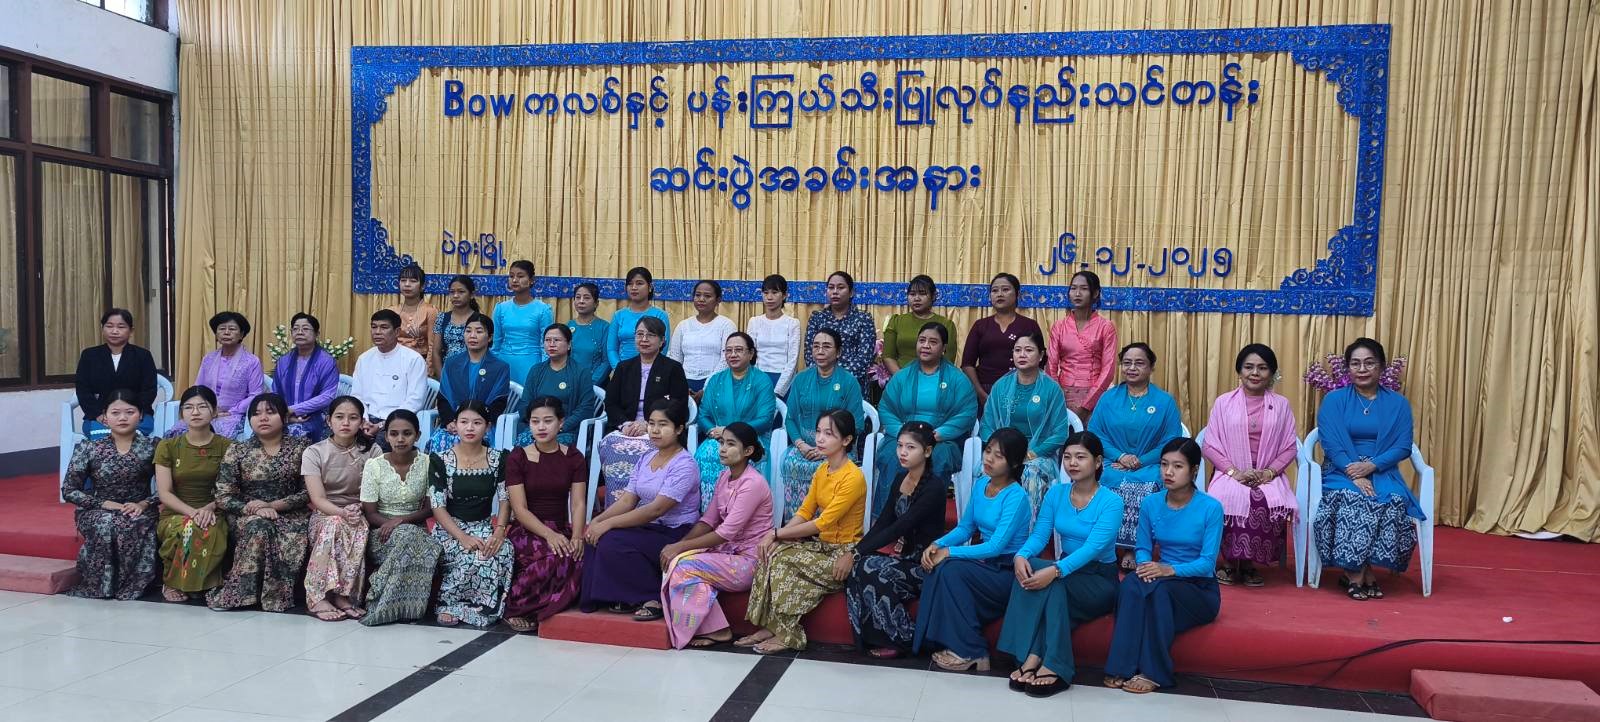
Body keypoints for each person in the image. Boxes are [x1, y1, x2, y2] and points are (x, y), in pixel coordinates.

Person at [998, 431, 1121, 697]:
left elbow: (1093, 548)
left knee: (1055, 584)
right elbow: (1040, 534)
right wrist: (1021, 555)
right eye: (1067, 457)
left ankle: (1052, 664)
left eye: (1081, 457)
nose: (1072, 463)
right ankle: (1033, 654)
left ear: (1098, 462)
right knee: (1030, 565)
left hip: (1099, 579)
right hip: (1067, 569)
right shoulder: (1056, 493)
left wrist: (1055, 570)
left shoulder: (1111, 502)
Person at [738, 409, 867, 654]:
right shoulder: (822, 470)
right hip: (821, 547)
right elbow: (805, 512)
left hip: (842, 553)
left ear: (847, 440)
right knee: (771, 553)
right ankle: (769, 626)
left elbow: (823, 523)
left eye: (829, 434)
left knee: (783, 560)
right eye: (818, 432)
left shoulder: (853, 477)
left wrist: (776, 534)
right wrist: (778, 537)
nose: (820, 438)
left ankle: (789, 635)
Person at [1103, 437, 1224, 694]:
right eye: (1164, 464)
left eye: (1177, 466)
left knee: (1159, 592)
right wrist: (1145, 567)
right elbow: (1143, 548)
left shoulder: (1211, 508)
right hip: (1160, 577)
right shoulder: (1152, 502)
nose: (1168, 472)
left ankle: (1154, 672)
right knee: (1131, 585)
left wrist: (1169, 570)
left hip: (1198, 588)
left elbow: (1206, 564)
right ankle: (1121, 666)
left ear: (1194, 470)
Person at [913, 428, 1034, 671]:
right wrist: (938, 544)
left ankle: (974, 651)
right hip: (987, 566)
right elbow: (965, 528)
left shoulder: (1016, 496)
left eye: (999, 456)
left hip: (1008, 571)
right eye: (988, 451)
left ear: (1013, 463)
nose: (989, 459)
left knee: (951, 569)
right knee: (938, 566)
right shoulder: (981, 485)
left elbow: (996, 547)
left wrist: (950, 552)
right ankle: (931, 640)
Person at [1313, 337, 1424, 600]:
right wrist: (1354, 473)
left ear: (1381, 367)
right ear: (1347, 368)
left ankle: (1359, 570)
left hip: (1382, 470)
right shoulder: (1334, 400)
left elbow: (1403, 446)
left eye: (1369, 363)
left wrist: (1371, 466)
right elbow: (1330, 442)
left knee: (1394, 500)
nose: (1362, 369)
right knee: (1353, 497)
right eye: (1355, 363)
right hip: (1340, 469)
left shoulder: (1398, 404)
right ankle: (1358, 574)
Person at [579, 399, 700, 618]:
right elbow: (627, 500)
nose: (655, 430)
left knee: (612, 541)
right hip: (651, 527)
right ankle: (608, 597)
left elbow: (656, 510)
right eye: (651, 423)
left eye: (663, 424)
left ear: (679, 428)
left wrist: (607, 524)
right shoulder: (646, 457)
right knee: (593, 535)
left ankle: (653, 596)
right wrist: (597, 521)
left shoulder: (684, 464)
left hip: (676, 531)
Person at [659, 422, 776, 648]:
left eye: (731, 444)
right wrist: (680, 545)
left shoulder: (753, 483)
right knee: (678, 559)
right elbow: (708, 520)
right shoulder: (724, 477)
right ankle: (714, 628)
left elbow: (725, 532)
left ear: (748, 451)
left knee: (683, 565)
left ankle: (716, 629)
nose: (722, 449)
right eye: (722, 442)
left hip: (751, 562)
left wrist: (680, 548)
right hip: (727, 553)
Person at [843, 422, 949, 658]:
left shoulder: (934, 487)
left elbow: (900, 526)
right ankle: (868, 637)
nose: (902, 452)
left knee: (871, 568)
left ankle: (903, 637)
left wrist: (855, 553)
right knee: (859, 566)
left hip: (926, 563)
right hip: (905, 557)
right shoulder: (901, 477)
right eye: (900, 446)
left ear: (927, 451)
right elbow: (883, 522)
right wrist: (856, 552)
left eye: (910, 447)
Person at [1204, 344, 1300, 588]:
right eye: (1249, 367)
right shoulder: (1224, 402)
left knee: (1263, 499)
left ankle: (1249, 564)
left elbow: (1290, 447)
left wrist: (1269, 472)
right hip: (1230, 472)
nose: (1255, 373)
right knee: (1229, 497)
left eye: (1262, 368)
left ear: (1272, 373)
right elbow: (1210, 445)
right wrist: (1234, 472)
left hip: (1268, 473)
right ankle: (1228, 561)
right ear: (1239, 371)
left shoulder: (1281, 405)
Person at [208, 393, 312, 612]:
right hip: (247, 513)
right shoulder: (238, 450)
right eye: (256, 414)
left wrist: (273, 506)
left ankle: (276, 596)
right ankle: (239, 595)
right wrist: (250, 508)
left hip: (290, 513)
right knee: (259, 526)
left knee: (277, 528)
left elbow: (308, 492)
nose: (263, 418)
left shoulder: (301, 448)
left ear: (284, 417)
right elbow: (223, 495)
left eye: (270, 412)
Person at [1088, 343, 1184, 563]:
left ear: (1151, 367)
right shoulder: (1108, 398)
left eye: (1139, 363)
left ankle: (1133, 549)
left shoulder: (1164, 401)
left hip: (1150, 464)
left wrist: (1140, 461)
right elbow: (1095, 433)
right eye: (1127, 363)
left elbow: (1171, 440)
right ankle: (1103, 546)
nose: (1132, 368)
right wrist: (1120, 456)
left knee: (1144, 487)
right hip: (1112, 462)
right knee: (1103, 481)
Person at [61, 389, 158, 599]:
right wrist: (103, 503)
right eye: (115, 413)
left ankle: (132, 585)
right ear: (105, 416)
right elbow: (69, 490)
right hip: (98, 508)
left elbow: (168, 488)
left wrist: (144, 503)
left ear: (141, 415)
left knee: (132, 522)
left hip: (140, 508)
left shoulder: (153, 447)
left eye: (130, 412)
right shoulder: (89, 448)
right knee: (106, 522)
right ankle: (100, 586)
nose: (123, 418)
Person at [503, 396, 589, 632]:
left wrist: (577, 536)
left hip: (561, 527)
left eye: (548, 421)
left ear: (561, 423)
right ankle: (516, 606)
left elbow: (578, 503)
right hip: (528, 529)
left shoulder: (573, 457)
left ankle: (545, 604)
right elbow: (519, 509)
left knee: (579, 556)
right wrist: (549, 535)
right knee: (553, 558)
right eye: (535, 421)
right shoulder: (518, 457)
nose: (541, 427)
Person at [874, 322, 977, 511]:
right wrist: (903, 435)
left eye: (933, 342)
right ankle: (887, 516)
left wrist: (937, 435)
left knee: (937, 458)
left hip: (941, 440)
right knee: (891, 456)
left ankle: (924, 516)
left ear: (944, 348)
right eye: (922, 340)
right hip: (902, 437)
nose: (926, 346)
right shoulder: (902, 377)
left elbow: (967, 413)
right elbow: (886, 408)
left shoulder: (957, 379)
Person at [429, 401, 514, 626]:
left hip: (484, 525)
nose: (469, 428)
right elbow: (437, 506)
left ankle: (486, 607)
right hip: (451, 529)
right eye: (464, 422)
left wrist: (499, 531)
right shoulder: (440, 459)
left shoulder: (499, 458)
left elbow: (505, 498)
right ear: (454, 425)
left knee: (502, 549)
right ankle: (448, 604)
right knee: (473, 555)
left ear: (488, 427)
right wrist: (462, 537)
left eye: (477, 423)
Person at [302, 396, 382, 621]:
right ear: (329, 421)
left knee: (357, 526)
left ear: (362, 422)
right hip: (324, 514)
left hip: (359, 511)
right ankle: (317, 596)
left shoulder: (372, 451)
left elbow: (375, 492)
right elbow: (317, 498)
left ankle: (343, 595)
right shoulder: (314, 452)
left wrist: (357, 509)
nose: (345, 423)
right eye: (339, 417)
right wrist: (342, 512)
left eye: (353, 418)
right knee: (336, 523)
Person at [596, 316, 689, 507]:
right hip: (626, 429)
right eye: (640, 334)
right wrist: (625, 424)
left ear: (662, 341)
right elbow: (611, 403)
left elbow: (679, 405)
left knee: (651, 448)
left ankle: (648, 507)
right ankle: (616, 506)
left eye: (650, 335)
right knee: (610, 446)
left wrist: (649, 425)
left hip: (658, 430)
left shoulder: (673, 368)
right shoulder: (624, 367)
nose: (644, 339)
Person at [359, 410, 441, 626]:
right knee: (415, 540)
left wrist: (401, 521)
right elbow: (370, 513)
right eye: (394, 434)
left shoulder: (429, 463)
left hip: (416, 529)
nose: (400, 439)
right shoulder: (374, 465)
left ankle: (391, 599)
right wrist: (391, 524)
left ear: (418, 435)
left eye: (407, 433)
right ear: (386, 436)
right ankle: (403, 607)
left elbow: (430, 509)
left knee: (414, 538)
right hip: (381, 534)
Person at [155, 386, 232, 602]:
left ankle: (202, 584)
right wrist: (193, 512)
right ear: (182, 413)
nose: (195, 412)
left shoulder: (228, 447)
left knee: (209, 528)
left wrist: (209, 508)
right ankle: (172, 582)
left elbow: (231, 488)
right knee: (187, 526)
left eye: (202, 407)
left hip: (215, 509)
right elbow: (164, 493)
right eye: (188, 407)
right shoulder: (168, 446)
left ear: (214, 411)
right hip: (176, 511)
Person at [981, 331, 1073, 510]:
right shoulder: (1001, 386)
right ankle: (989, 523)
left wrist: (1030, 454)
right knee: (984, 470)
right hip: (1003, 452)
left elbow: (1060, 434)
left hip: (1038, 455)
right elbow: (987, 425)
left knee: (1030, 473)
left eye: (1028, 350)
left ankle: (1027, 526)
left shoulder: (1052, 389)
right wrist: (1000, 452)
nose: (1022, 355)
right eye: (1017, 350)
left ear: (1041, 355)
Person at [779, 329, 865, 519]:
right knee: (791, 462)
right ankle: (797, 524)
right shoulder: (801, 379)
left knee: (827, 468)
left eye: (826, 346)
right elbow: (790, 418)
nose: (820, 351)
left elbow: (857, 425)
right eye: (816, 346)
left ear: (838, 352)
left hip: (838, 450)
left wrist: (827, 449)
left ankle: (826, 524)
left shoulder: (849, 382)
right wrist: (800, 444)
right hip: (804, 447)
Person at [693, 332, 777, 507]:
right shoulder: (716, 380)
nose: (733, 354)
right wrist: (713, 431)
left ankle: (738, 511)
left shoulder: (762, 381)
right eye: (728, 350)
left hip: (751, 439)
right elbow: (703, 414)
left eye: (738, 350)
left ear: (751, 353)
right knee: (707, 452)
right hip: (717, 437)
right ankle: (709, 511)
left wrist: (728, 432)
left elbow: (765, 418)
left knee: (736, 453)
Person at [169, 311, 262, 439]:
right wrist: (206, 409)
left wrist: (232, 411)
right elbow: (198, 389)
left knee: (217, 436)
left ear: (241, 334)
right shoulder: (208, 359)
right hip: (205, 411)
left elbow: (255, 395)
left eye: (232, 329)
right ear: (216, 334)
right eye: (222, 329)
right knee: (179, 432)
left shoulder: (251, 362)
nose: (226, 332)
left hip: (233, 415)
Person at [429, 313, 512, 452]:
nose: (472, 336)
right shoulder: (451, 364)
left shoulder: (500, 367)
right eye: (468, 331)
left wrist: (481, 423)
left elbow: (499, 402)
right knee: (440, 439)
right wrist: (450, 421)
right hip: (454, 424)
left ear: (490, 337)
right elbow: (443, 398)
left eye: (479, 331)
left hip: (484, 426)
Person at [75, 309, 158, 439]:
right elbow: (83, 389)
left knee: (135, 435)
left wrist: (133, 413)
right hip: (100, 416)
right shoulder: (90, 356)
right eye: (109, 326)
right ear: (103, 329)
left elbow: (149, 389)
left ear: (131, 331)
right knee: (102, 436)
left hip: (136, 415)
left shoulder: (143, 356)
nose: (114, 331)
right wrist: (98, 414)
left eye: (121, 327)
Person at [961, 273, 1042, 406]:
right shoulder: (980, 325)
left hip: (1022, 388)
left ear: (1017, 294)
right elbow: (967, 364)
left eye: (1005, 289)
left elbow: (1040, 361)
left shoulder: (1029, 325)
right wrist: (980, 393)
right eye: (994, 290)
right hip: (985, 390)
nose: (999, 294)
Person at [1048, 270, 1119, 420]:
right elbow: (1051, 366)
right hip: (1062, 395)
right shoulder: (1059, 326)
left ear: (1095, 293)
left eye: (1084, 288)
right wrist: (1057, 398)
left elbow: (1108, 370)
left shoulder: (1106, 327)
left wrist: (1087, 405)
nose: (1077, 293)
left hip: (1096, 395)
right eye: (1073, 288)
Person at [514, 324, 598, 447]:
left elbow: (586, 408)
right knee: (524, 444)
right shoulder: (536, 370)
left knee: (551, 448)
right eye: (548, 340)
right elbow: (525, 403)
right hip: (536, 429)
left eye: (557, 340)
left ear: (569, 345)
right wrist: (536, 424)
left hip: (565, 430)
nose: (551, 344)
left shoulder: (581, 372)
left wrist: (560, 426)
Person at [352, 309, 430, 440]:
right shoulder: (364, 359)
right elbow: (357, 395)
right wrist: (364, 420)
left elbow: (415, 401)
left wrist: (382, 424)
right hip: (365, 420)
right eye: (374, 327)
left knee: (380, 443)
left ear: (397, 332)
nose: (377, 332)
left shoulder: (413, 359)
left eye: (384, 327)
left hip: (398, 421)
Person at [803, 271, 878, 399]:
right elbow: (810, 355)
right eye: (831, 287)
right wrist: (826, 378)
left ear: (851, 292)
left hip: (853, 386)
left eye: (841, 287)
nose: (835, 292)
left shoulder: (863, 319)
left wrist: (839, 380)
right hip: (821, 385)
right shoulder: (817, 318)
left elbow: (864, 359)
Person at [274, 312, 340, 440]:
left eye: (305, 329)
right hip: (285, 416)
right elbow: (275, 393)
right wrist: (285, 414)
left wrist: (292, 410)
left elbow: (327, 396)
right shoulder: (284, 361)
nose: (299, 332)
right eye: (295, 329)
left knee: (298, 433)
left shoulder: (326, 361)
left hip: (316, 416)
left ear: (316, 334)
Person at [669, 279, 737, 397]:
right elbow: (675, 358)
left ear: (718, 300)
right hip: (685, 383)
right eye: (697, 295)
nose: (701, 299)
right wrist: (681, 385)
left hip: (717, 383)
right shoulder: (683, 325)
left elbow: (726, 359)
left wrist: (707, 388)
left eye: (707, 296)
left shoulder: (726, 325)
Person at [881, 275, 958, 375]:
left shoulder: (946, 325)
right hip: (900, 378)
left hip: (935, 379)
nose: (916, 298)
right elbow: (888, 356)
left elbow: (948, 361)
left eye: (922, 293)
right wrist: (902, 379)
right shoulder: (896, 321)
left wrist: (928, 379)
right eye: (912, 294)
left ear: (933, 296)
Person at [493, 260, 555, 383]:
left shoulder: (543, 309)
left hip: (531, 363)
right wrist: (494, 365)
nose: (515, 280)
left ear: (531, 280)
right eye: (511, 276)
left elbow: (546, 344)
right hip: (504, 362)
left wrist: (544, 369)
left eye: (520, 276)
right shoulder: (501, 308)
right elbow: (496, 343)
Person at [605, 266, 672, 368]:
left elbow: (663, 348)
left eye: (639, 283)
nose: (634, 287)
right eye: (630, 284)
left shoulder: (660, 315)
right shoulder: (618, 315)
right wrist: (619, 369)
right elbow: (611, 349)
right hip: (623, 370)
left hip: (651, 370)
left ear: (650, 287)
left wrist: (649, 370)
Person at [747, 273, 801, 396]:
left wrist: (778, 391)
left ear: (784, 295)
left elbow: (793, 361)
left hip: (784, 379)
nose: (769, 297)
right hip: (758, 378)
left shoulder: (793, 323)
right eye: (766, 293)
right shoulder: (754, 322)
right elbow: (749, 355)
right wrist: (755, 382)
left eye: (774, 292)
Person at [390, 264, 438, 373]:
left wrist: (428, 370)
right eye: (403, 280)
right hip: (394, 361)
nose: (407, 284)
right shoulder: (392, 311)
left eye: (413, 281)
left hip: (420, 362)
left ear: (422, 286)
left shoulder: (430, 311)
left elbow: (433, 345)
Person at [567, 281, 611, 387]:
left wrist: (590, 383)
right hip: (571, 383)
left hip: (596, 385)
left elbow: (606, 361)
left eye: (586, 298)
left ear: (596, 303)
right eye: (578, 297)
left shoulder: (604, 327)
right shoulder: (569, 325)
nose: (581, 301)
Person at [433, 275, 481, 369]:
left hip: (471, 370)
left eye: (461, 292)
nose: (455, 296)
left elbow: (482, 352)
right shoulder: (442, 318)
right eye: (452, 292)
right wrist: (442, 376)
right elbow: (436, 351)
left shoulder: (478, 319)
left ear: (472, 295)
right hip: (447, 370)